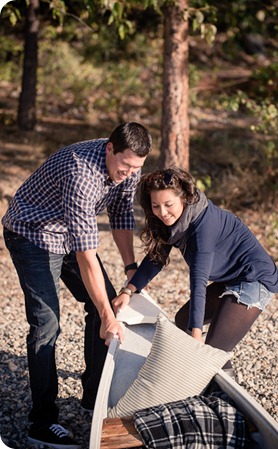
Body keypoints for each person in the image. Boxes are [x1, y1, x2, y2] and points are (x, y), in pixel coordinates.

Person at [2, 122, 152, 449]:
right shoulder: (81, 173)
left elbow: (122, 214)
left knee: (108, 305)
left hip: (67, 232)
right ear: (109, 149)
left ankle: (93, 397)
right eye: (125, 166)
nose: (129, 173)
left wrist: (130, 269)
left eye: (136, 168)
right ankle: (41, 423)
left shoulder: (129, 166)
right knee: (46, 325)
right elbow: (87, 255)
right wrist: (107, 315)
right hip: (32, 233)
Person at [112, 167, 278, 376]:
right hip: (231, 278)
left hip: (255, 279)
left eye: (168, 205)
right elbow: (156, 258)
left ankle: (226, 398)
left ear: (183, 198)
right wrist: (128, 291)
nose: (162, 212)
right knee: (184, 321)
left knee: (210, 352)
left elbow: (198, 284)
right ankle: (197, 380)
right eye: (156, 206)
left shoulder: (203, 225)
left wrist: (196, 335)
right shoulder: (176, 221)